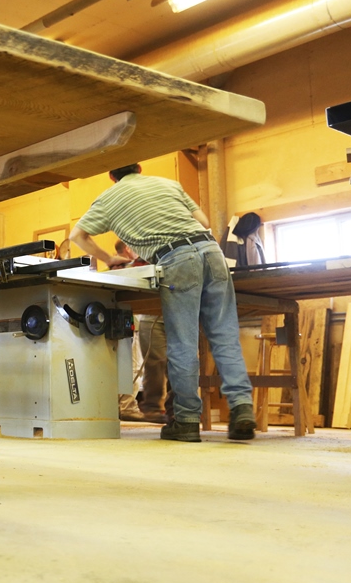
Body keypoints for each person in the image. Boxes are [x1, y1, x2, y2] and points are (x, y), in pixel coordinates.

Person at [70, 163, 257, 442]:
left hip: (176, 259)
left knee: (183, 343)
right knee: (224, 337)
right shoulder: (169, 183)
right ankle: (242, 409)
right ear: (140, 167)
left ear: (111, 175)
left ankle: (186, 421)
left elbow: (77, 236)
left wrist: (109, 259)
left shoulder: (109, 198)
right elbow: (204, 222)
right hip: (211, 252)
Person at [112, 240, 168, 424]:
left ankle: (130, 405)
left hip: (136, 315)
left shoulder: (131, 265)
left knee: (135, 363)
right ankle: (128, 406)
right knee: (134, 364)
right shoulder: (133, 265)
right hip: (138, 315)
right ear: (128, 248)